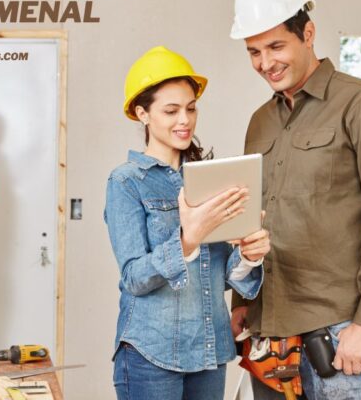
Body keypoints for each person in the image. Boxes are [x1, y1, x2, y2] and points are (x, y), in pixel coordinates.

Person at [227, 0, 361, 399]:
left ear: (309, 33)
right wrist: (244, 303)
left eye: (276, 46)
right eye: (254, 51)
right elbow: (253, 218)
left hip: (342, 332)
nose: (265, 63)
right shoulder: (261, 121)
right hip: (271, 334)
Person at [105, 46, 271, 400]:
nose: (185, 120)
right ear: (142, 114)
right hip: (151, 356)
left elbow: (221, 275)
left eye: (190, 109)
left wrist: (250, 255)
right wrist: (187, 240)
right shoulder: (126, 182)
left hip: (208, 353)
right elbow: (134, 277)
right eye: (171, 110)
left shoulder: (209, 179)